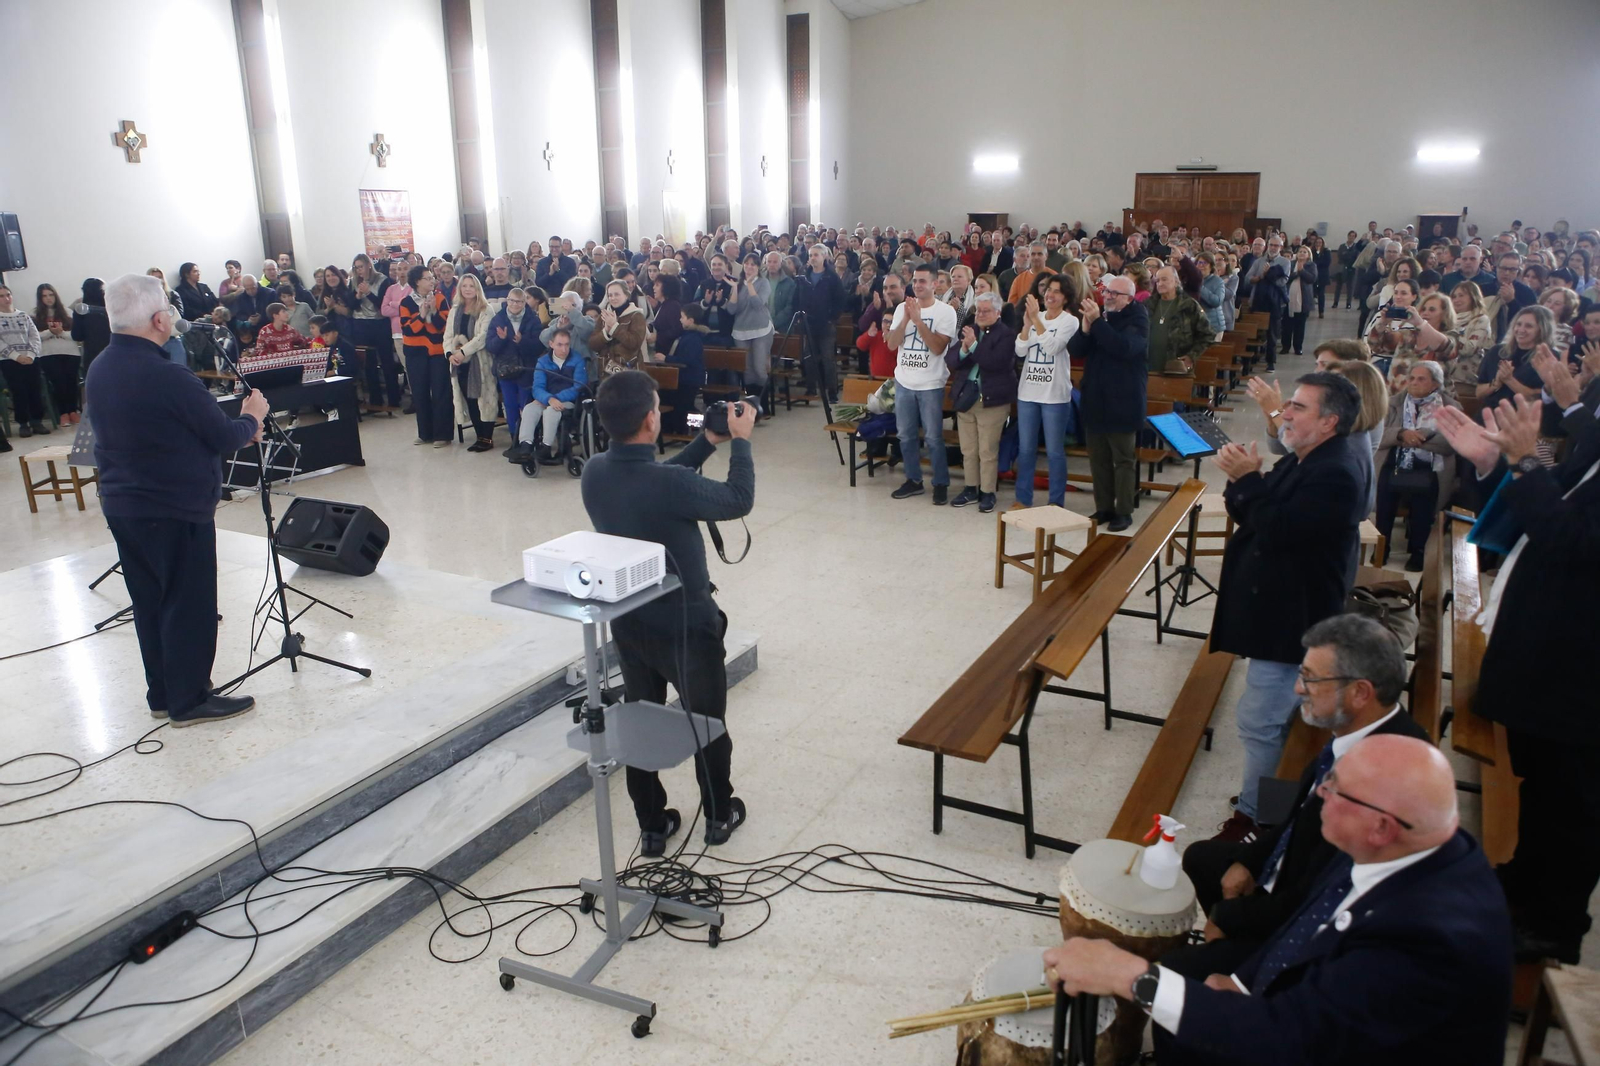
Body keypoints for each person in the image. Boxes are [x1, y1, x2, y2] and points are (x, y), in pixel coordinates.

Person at [1044, 733, 1512, 1066]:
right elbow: (1308, 922)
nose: (1320, 795)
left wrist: (1129, 975)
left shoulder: (1429, 940)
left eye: (1333, 790)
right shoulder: (1408, 847)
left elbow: (1291, 1041)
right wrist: (1246, 984)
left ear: (1381, 826)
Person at [1167, 615, 1431, 980]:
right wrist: (1249, 862)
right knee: (1202, 858)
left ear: (1360, 692)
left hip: (1314, 927)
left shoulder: (1379, 784)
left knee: (1171, 978)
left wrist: (1227, 917)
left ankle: (1250, 976)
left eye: (1311, 678)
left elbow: (1316, 898)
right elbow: (1297, 819)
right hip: (1296, 874)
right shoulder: (1358, 732)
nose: (1297, 689)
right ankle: (1232, 954)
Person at [1435, 382, 1600, 964]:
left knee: (1576, 805)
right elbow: (1554, 500)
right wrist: (1496, 461)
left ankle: (1553, 925)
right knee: (1545, 787)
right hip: (1552, 652)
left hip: (1582, 671)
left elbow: (1572, 540)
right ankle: (1523, 883)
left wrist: (1526, 462)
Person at [579, 370, 755, 855]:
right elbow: (738, 499)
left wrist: (705, 442)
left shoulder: (595, 471)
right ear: (653, 418)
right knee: (706, 723)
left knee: (642, 719)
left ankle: (653, 825)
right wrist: (740, 442)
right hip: (686, 625)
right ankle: (719, 814)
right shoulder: (668, 484)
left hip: (631, 622)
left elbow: (654, 480)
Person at [84, 274, 267, 726]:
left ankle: (163, 693)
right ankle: (190, 700)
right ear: (160, 319)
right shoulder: (168, 374)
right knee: (188, 603)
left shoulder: (100, 366)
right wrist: (252, 418)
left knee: (150, 602)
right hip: (173, 508)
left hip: (123, 505)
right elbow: (224, 436)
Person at [1209, 372, 1365, 841]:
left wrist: (1248, 481)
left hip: (1293, 619)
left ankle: (1260, 820)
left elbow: (1279, 531)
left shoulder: (1334, 473)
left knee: (1262, 723)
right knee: (1277, 725)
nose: (1286, 413)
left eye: (1298, 407)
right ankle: (1270, 808)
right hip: (1283, 609)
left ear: (1329, 421)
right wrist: (1245, 482)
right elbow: (1258, 511)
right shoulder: (1310, 456)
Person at [1068, 274, 1147, 531]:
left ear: (1129, 298)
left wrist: (1097, 323)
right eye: (1107, 292)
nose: (1108, 296)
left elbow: (1123, 347)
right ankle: (1104, 508)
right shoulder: (1100, 315)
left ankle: (1124, 511)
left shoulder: (1138, 318)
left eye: (1115, 294)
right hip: (1095, 399)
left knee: (1123, 460)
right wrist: (1085, 328)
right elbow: (1077, 350)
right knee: (1098, 459)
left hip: (1123, 401)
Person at [1372, 360, 1459, 570]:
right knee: (1384, 494)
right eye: (1411, 378)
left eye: (1421, 379)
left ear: (1435, 384)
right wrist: (1402, 434)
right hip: (1394, 462)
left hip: (1430, 467)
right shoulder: (1393, 403)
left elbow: (1450, 442)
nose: (1414, 383)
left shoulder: (1450, 408)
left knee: (1425, 497)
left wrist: (1420, 437)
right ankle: (1382, 547)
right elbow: (1379, 436)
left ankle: (1418, 550)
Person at [887, 263, 958, 506]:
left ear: (935, 284)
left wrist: (918, 321)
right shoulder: (901, 309)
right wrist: (906, 317)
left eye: (923, 281)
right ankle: (914, 480)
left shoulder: (946, 312)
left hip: (930, 384)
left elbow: (938, 348)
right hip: (904, 382)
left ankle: (940, 483)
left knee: (933, 437)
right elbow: (892, 344)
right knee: (905, 435)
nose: (917, 285)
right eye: (915, 281)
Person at [944, 292, 1018, 513]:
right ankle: (970, 489)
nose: (982, 314)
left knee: (987, 450)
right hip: (966, 398)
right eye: (979, 310)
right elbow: (951, 360)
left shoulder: (1006, 335)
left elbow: (995, 363)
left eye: (987, 311)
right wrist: (965, 348)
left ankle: (987, 492)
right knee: (968, 449)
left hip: (992, 400)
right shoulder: (971, 330)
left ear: (997, 312)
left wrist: (974, 346)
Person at [1013, 277, 1079, 509]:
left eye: (1057, 292)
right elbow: (1020, 351)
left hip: (1054, 395)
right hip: (1028, 392)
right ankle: (1022, 498)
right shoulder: (1036, 317)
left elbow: (1051, 348)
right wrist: (1026, 325)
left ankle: (1055, 502)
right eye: (1048, 290)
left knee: (1054, 452)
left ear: (1066, 297)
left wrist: (1035, 321)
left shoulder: (1069, 321)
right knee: (1026, 449)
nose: (1051, 295)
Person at [510, 326, 589, 463]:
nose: (564, 349)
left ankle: (546, 447)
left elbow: (578, 386)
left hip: (568, 401)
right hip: (547, 399)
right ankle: (525, 445)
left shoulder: (577, 360)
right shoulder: (543, 362)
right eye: (559, 345)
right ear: (551, 344)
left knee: (551, 411)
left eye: (567, 345)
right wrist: (548, 398)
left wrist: (554, 399)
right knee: (529, 409)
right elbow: (537, 387)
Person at [487, 287, 544, 454]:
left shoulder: (533, 319)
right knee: (510, 406)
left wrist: (522, 341)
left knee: (526, 406)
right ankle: (514, 441)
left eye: (519, 301)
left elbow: (539, 346)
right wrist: (501, 339)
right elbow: (490, 346)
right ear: (507, 300)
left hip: (526, 370)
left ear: (524, 303)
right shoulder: (498, 318)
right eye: (511, 301)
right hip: (506, 370)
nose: (514, 304)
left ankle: (528, 440)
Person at [399, 264, 451, 448]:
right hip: (415, 353)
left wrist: (434, 311)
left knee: (440, 392)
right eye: (427, 278)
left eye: (432, 278)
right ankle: (425, 433)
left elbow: (443, 326)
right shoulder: (406, 303)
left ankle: (442, 434)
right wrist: (421, 316)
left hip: (437, 352)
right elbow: (408, 330)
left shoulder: (440, 298)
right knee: (420, 393)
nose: (432, 281)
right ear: (417, 282)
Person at [445, 273, 497, 453]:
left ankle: (487, 437)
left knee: (484, 399)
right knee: (470, 399)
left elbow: (482, 337)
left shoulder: (486, 309)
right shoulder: (455, 310)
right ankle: (478, 436)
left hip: (479, 361)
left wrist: (463, 352)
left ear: (477, 289)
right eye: (464, 286)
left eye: (471, 286)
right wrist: (450, 353)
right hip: (459, 363)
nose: (468, 289)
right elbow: (448, 336)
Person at [796, 243, 844, 400]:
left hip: (826, 324)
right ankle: (811, 388)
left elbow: (839, 300)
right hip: (808, 323)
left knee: (827, 358)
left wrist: (832, 317)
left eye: (816, 255)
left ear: (824, 257)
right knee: (809, 357)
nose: (813, 258)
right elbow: (797, 298)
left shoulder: (831, 277)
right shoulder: (804, 276)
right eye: (810, 255)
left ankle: (831, 391)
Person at [1144, 266, 1209, 373]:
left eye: (1164, 279)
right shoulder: (1148, 304)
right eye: (1157, 280)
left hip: (1176, 368)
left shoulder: (1188, 305)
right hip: (1147, 367)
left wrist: (1191, 356)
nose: (1160, 283)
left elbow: (1207, 334)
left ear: (1176, 281)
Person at [727, 253, 773, 400]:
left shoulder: (763, 282)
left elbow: (758, 305)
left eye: (753, 264)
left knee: (759, 368)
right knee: (747, 370)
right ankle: (751, 403)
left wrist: (750, 285)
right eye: (747, 263)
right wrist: (735, 289)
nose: (749, 267)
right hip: (741, 330)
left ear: (758, 267)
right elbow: (732, 310)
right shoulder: (738, 284)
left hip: (761, 329)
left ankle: (763, 404)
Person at [1244, 237, 1290, 369]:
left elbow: (1282, 282)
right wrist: (1260, 277)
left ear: (1281, 247)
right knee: (1253, 331)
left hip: (1275, 302)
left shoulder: (1284, 262)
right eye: (1271, 245)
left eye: (1277, 246)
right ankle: (1250, 361)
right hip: (1258, 299)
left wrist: (1268, 274)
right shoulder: (1259, 261)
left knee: (1272, 333)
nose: (1273, 248)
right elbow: (1248, 279)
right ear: (1267, 246)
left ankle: (1270, 361)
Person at [594, 280, 650, 379]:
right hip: (606, 373)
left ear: (626, 295)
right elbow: (593, 345)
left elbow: (634, 343)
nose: (613, 298)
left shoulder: (636, 315)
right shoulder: (604, 315)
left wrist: (615, 327)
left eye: (616, 294)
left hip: (630, 372)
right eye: (610, 295)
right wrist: (605, 333)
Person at [1285, 246, 1318, 354]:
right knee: (1287, 324)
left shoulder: (1311, 265)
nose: (1302, 253)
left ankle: (1297, 347)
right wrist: (1296, 273)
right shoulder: (1291, 263)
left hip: (1303, 298)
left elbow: (1312, 279)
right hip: (1289, 297)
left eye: (1305, 252)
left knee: (1300, 325)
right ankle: (1286, 346)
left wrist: (1302, 271)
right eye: (1300, 251)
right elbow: (1286, 277)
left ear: (1308, 255)